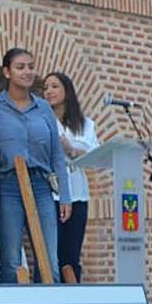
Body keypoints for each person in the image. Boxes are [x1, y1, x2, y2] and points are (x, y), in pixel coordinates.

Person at [0, 48, 71, 283]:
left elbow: (56, 154)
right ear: (7, 72)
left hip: (41, 186)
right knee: (11, 261)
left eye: (31, 67)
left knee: (49, 261)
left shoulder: (43, 108)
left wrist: (64, 194)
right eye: (20, 67)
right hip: (8, 186)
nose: (27, 72)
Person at [42, 72, 97, 281]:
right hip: (51, 193)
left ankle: (73, 296)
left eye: (54, 86)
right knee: (51, 253)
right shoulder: (42, 119)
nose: (49, 91)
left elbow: (94, 156)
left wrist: (72, 150)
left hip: (78, 192)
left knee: (71, 254)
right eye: (46, 87)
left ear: (67, 91)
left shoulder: (86, 125)